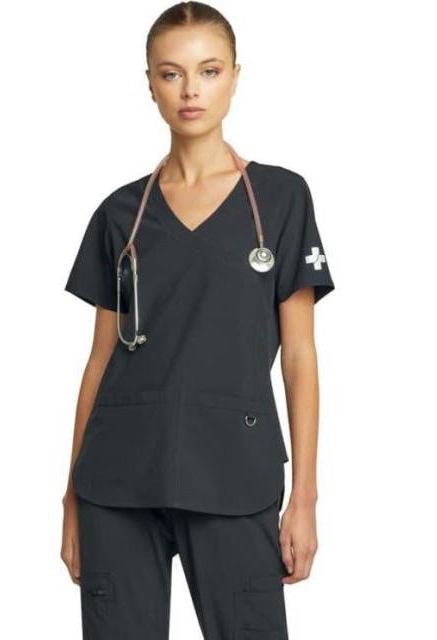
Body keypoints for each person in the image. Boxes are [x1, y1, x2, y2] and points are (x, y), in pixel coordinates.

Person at [60, 2, 335, 638]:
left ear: (235, 77)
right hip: (117, 480)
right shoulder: (120, 213)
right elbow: (100, 360)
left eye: (209, 71)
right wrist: (71, 495)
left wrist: (305, 497)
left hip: (235, 474)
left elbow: (300, 356)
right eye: (171, 73)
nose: (190, 91)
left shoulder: (281, 199)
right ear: (150, 83)